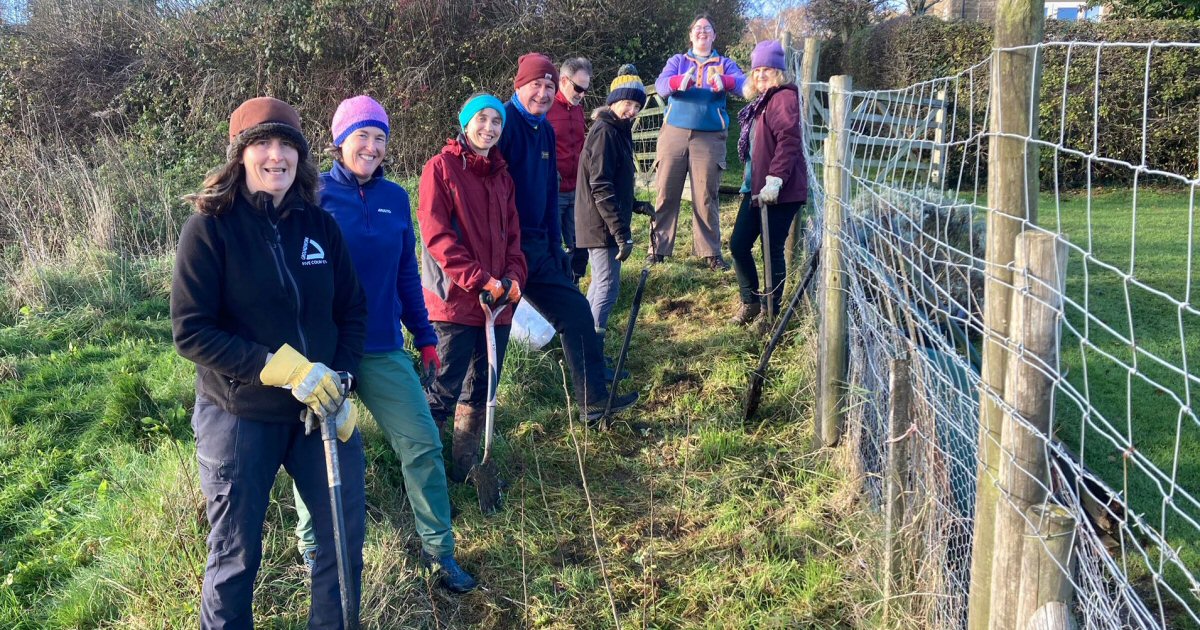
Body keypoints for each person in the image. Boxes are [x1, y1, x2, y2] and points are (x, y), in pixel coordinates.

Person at [171, 96, 368, 628]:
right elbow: (191, 331)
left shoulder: (319, 226)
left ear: (301, 156)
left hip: (318, 410)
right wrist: (279, 367)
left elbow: (352, 309)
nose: (276, 156)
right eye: (262, 144)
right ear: (240, 155)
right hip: (240, 413)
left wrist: (340, 378)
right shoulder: (209, 229)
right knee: (235, 557)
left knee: (343, 542)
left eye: (287, 145)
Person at [288, 95, 477, 594]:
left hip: (381, 345)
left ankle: (439, 551)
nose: (371, 147)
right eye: (362, 136)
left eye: (380, 138)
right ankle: (312, 549)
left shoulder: (395, 197)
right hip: (324, 351)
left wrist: (425, 336)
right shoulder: (313, 194)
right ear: (340, 141)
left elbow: (405, 273)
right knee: (319, 448)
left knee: (422, 443)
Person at [497, 52, 638, 422]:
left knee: (575, 311)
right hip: (502, 250)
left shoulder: (544, 129)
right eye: (536, 85)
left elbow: (547, 192)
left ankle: (594, 402)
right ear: (519, 86)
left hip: (536, 246)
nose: (543, 93)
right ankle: (460, 420)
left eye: (547, 86)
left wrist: (554, 245)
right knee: (490, 335)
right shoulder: (503, 124)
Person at [418, 93, 527, 484]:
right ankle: (426, 474)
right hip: (454, 302)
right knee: (443, 388)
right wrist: (481, 280)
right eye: (481, 119)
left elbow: (514, 238)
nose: (489, 128)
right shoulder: (440, 168)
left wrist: (513, 278)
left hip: (497, 302)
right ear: (465, 123)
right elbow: (437, 236)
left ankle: (466, 468)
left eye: (496, 121)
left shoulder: (502, 177)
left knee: (482, 386)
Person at [649, 12, 746, 271]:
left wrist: (725, 81)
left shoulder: (725, 63)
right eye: (698, 28)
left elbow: (744, 85)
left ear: (714, 36)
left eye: (707, 28)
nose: (702, 31)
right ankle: (658, 249)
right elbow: (661, 85)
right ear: (691, 35)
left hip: (710, 137)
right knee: (666, 191)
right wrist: (679, 81)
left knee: (706, 195)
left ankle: (710, 252)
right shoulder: (677, 61)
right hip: (674, 132)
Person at [729, 40, 807, 325]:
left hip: (780, 190)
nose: (761, 74)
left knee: (771, 251)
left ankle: (769, 313)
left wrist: (775, 180)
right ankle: (750, 302)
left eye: (767, 69)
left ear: (779, 72)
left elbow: (788, 140)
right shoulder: (761, 102)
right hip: (755, 189)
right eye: (756, 70)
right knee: (738, 244)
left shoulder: (783, 97)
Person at [575, 65, 651, 345]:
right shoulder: (605, 132)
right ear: (614, 101)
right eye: (627, 103)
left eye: (637, 106)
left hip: (602, 221)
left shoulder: (619, 130)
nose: (632, 110)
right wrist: (621, 233)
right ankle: (591, 351)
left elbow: (616, 182)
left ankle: (583, 344)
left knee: (600, 284)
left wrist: (635, 205)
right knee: (608, 288)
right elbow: (601, 185)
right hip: (600, 224)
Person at [547, 57, 593, 283]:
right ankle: (556, 285)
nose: (581, 94)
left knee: (579, 242)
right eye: (578, 88)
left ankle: (574, 284)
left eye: (585, 90)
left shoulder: (578, 110)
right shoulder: (546, 109)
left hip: (576, 189)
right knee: (553, 245)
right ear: (563, 81)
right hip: (554, 191)